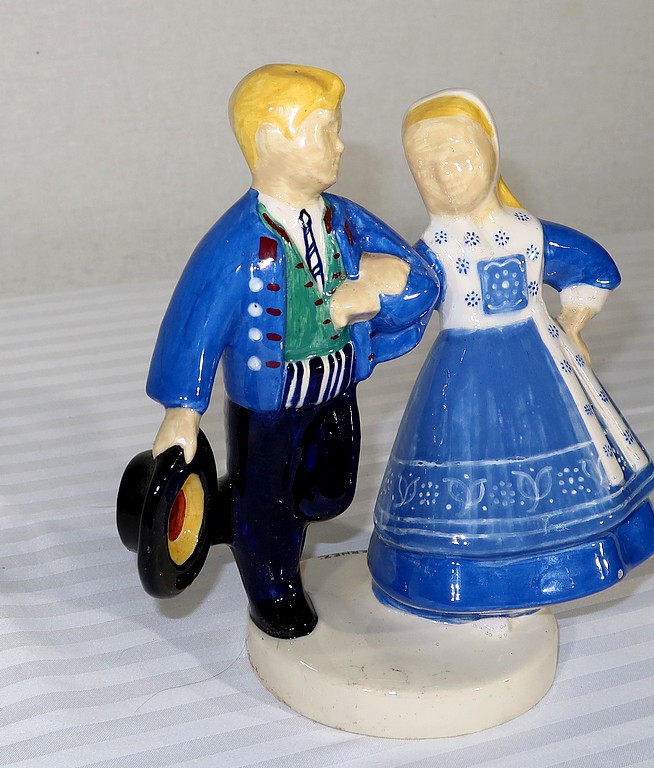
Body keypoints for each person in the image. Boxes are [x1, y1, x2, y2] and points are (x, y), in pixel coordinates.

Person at [146, 65, 439, 638]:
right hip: (270, 406)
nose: (341, 144)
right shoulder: (237, 240)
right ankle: (271, 583)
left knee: (329, 493)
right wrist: (182, 411)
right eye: (326, 130)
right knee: (270, 507)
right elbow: (195, 322)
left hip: (337, 385)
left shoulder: (343, 220)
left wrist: (374, 294)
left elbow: (421, 279)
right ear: (272, 140)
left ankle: (224, 510)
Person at [368, 90, 654, 619]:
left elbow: (592, 265)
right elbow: (404, 303)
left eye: (457, 155)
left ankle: (560, 563)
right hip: (462, 380)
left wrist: (574, 323)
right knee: (458, 469)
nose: (444, 174)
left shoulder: (529, 234)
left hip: (543, 366)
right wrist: (371, 293)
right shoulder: (432, 252)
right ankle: (465, 583)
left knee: (571, 465)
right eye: (424, 167)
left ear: (492, 150)